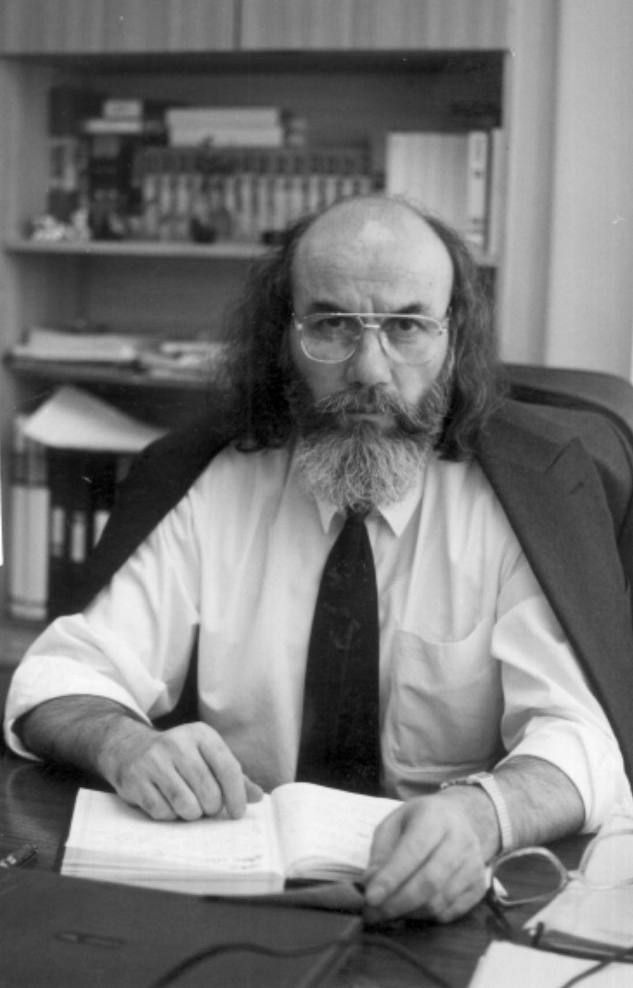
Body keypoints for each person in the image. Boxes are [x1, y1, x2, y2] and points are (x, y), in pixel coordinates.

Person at [5, 195, 633, 925]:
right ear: (285, 337)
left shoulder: (517, 498)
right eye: (333, 324)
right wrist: (122, 742)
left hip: (454, 903)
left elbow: (579, 737)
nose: (369, 369)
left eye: (406, 326)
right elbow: (60, 677)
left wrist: (481, 815)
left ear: (453, 340)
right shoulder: (210, 482)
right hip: (238, 898)